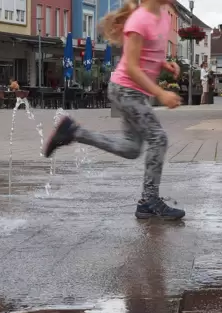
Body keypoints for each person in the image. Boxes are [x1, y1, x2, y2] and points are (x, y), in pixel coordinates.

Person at [44, 0, 185, 220]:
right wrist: (161, 93)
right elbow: (131, 66)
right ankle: (149, 201)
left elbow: (150, 53)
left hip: (134, 92)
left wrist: (164, 64)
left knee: (131, 149)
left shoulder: (163, 16)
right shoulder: (139, 20)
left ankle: (74, 132)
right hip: (125, 90)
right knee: (159, 139)